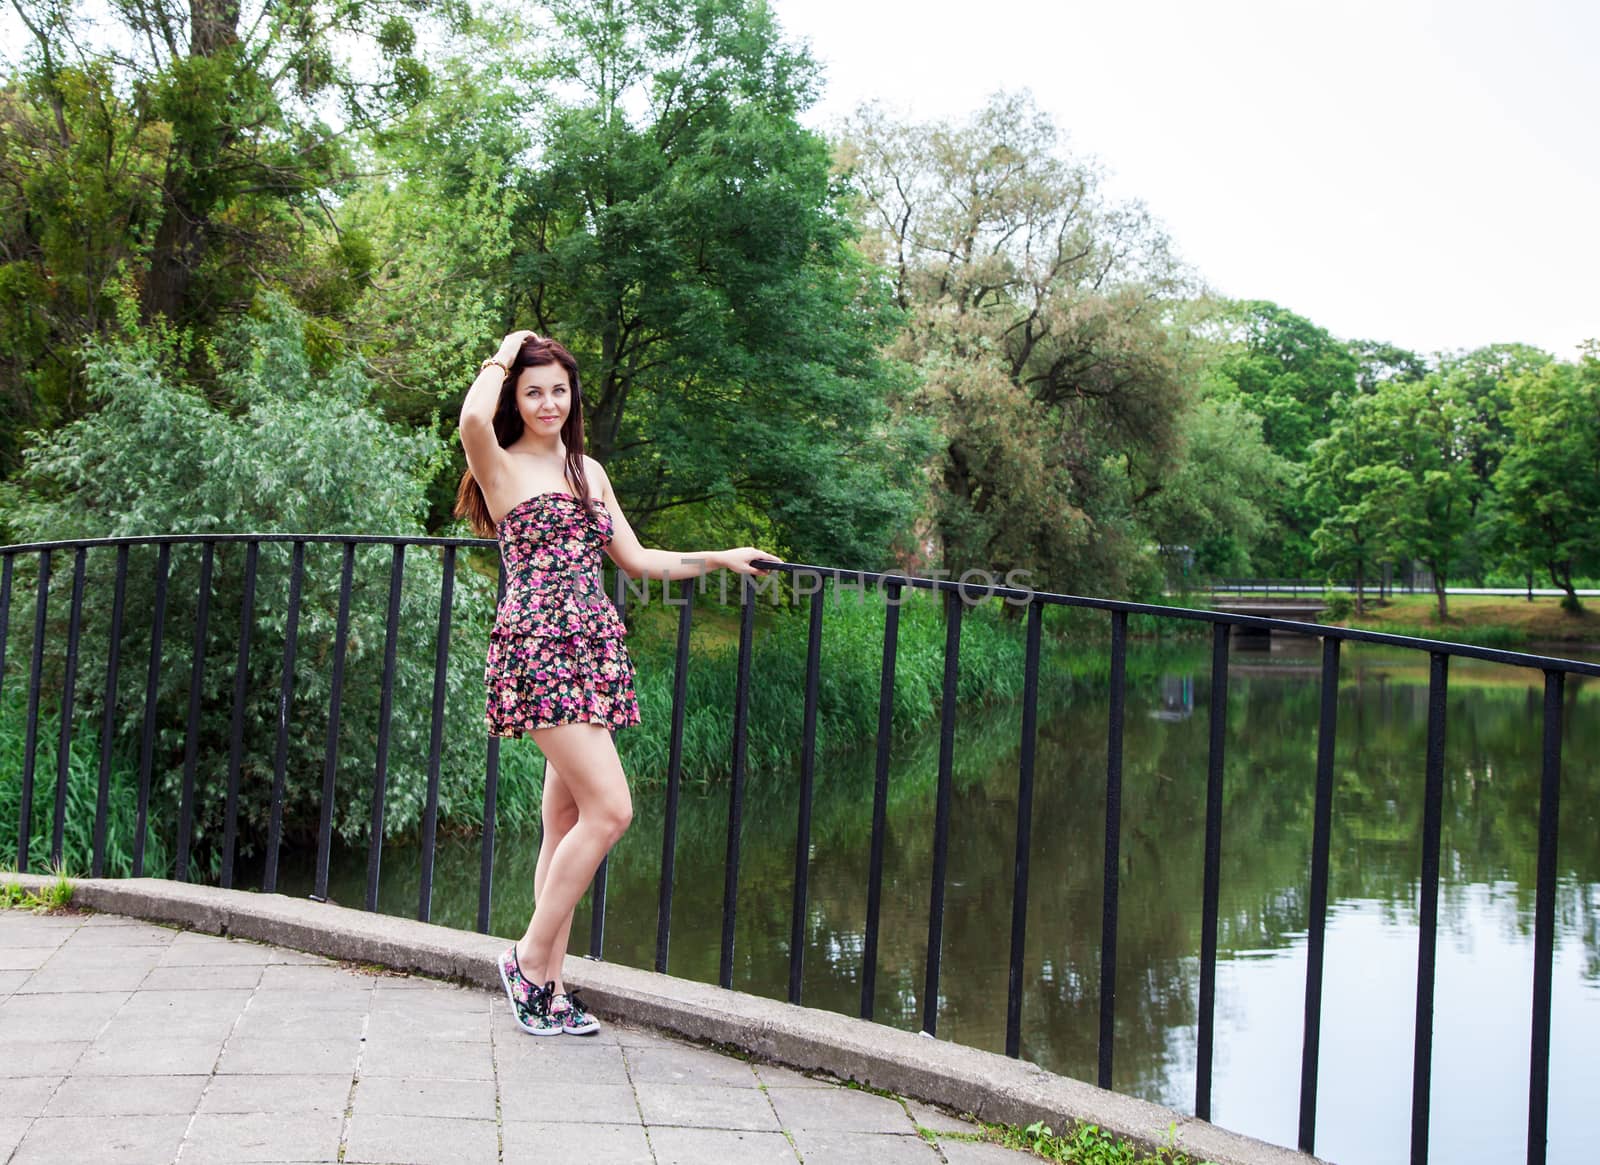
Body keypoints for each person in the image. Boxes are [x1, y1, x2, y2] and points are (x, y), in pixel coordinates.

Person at [456, 329, 774, 1036]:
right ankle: (527, 960)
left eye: (558, 390)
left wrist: (720, 557)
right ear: (515, 394)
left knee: (566, 821)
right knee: (613, 809)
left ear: (574, 397)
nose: (547, 402)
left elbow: (635, 559)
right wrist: (507, 348)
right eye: (532, 391)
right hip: (539, 646)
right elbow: (471, 418)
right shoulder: (498, 463)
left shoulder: (587, 470)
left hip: (591, 649)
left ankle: (550, 987)